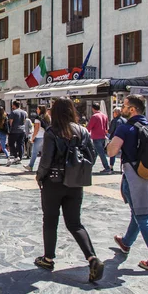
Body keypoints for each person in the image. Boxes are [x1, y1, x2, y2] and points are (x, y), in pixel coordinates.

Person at [34, 97, 104, 282]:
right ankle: (92, 258)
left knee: (50, 220)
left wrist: (40, 176)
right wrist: (78, 168)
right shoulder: (82, 130)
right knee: (74, 223)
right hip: (74, 182)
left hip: (53, 182)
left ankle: (48, 258)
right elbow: (93, 154)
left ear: (54, 112)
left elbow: (46, 160)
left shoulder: (52, 132)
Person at [107, 94, 148, 273]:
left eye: (124, 105)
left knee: (142, 216)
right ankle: (126, 242)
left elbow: (111, 151)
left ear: (132, 109)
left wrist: (108, 143)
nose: (121, 108)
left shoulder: (126, 128)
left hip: (135, 177)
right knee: (138, 212)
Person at [87, 102, 111, 174]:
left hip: (96, 137)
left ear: (93, 109)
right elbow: (107, 127)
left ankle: (107, 168)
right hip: (103, 136)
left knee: (100, 153)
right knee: (96, 153)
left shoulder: (94, 116)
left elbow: (89, 127)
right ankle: (89, 166)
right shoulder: (104, 116)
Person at [25, 105, 50, 172]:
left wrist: (32, 137)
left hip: (39, 136)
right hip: (46, 136)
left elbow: (36, 129)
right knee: (44, 152)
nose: (36, 110)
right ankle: (46, 167)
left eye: (37, 109)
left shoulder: (38, 118)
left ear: (40, 110)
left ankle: (30, 166)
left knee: (34, 152)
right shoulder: (48, 117)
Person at [7, 101, 27, 166]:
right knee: (20, 144)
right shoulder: (24, 112)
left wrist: (10, 129)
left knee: (11, 143)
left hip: (14, 130)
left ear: (14, 105)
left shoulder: (13, 112)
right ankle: (20, 158)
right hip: (22, 130)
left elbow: (11, 122)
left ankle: (16, 156)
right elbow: (24, 121)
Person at [108, 107, 127, 172]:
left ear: (116, 113)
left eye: (113, 112)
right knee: (123, 153)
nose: (113, 114)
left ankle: (111, 166)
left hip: (115, 138)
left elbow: (111, 130)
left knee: (113, 153)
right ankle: (122, 168)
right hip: (124, 139)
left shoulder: (114, 120)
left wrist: (106, 131)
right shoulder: (125, 120)